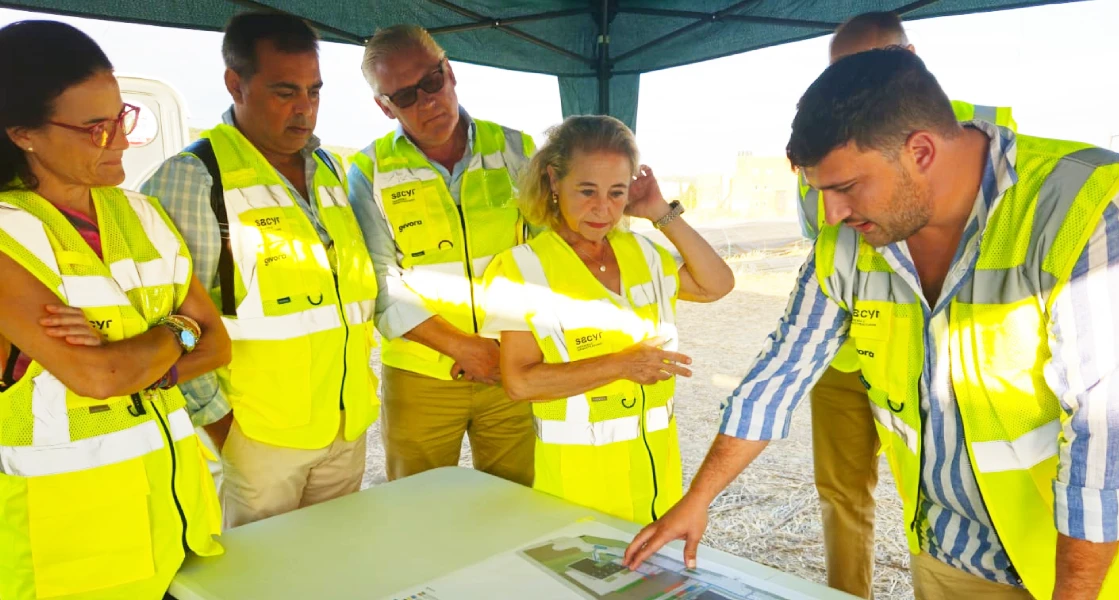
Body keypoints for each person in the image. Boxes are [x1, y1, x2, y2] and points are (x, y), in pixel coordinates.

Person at [625, 48, 1119, 600]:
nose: (830, 215)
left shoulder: (1081, 207)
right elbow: (779, 375)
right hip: (949, 554)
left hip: (1083, 567)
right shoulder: (849, 240)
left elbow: (1104, 438)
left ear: (921, 152)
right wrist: (697, 501)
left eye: (845, 188)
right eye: (820, 192)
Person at [0, 20, 226, 599]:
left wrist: (144, 347)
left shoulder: (142, 214)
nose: (122, 142)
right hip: (64, 555)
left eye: (122, 118)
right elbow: (99, 376)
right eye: (95, 129)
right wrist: (177, 332)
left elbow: (217, 345)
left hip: (173, 526)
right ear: (23, 133)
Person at [796, 12, 1018, 598]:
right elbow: (826, 237)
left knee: (953, 474)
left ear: (911, 53)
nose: (857, 78)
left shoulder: (968, 129)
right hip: (847, 345)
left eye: (878, 57)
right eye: (842, 70)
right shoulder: (825, 134)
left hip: (934, 342)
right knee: (843, 492)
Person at [141, 12, 380, 529]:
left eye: (314, 92)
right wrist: (225, 429)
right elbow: (163, 320)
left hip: (347, 428)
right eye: (284, 92)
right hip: (259, 441)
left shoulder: (332, 172)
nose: (305, 110)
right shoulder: (194, 178)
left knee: (334, 568)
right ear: (235, 84)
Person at [479, 115, 733, 523]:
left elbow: (716, 284)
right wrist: (622, 365)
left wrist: (660, 212)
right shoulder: (520, 269)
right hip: (578, 485)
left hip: (658, 480)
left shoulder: (643, 253)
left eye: (617, 193)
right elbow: (520, 381)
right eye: (586, 191)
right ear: (552, 181)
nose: (603, 209)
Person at [348, 25, 535, 485]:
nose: (428, 101)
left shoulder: (518, 149)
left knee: (516, 507)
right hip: (422, 378)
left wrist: (508, 349)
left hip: (512, 365)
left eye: (432, 82)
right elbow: (379, 282)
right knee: (419, 512)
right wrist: (464, 348)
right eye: (406, 96)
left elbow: (547, 257)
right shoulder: (366, 171)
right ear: (384, 106)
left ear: (449, 72)